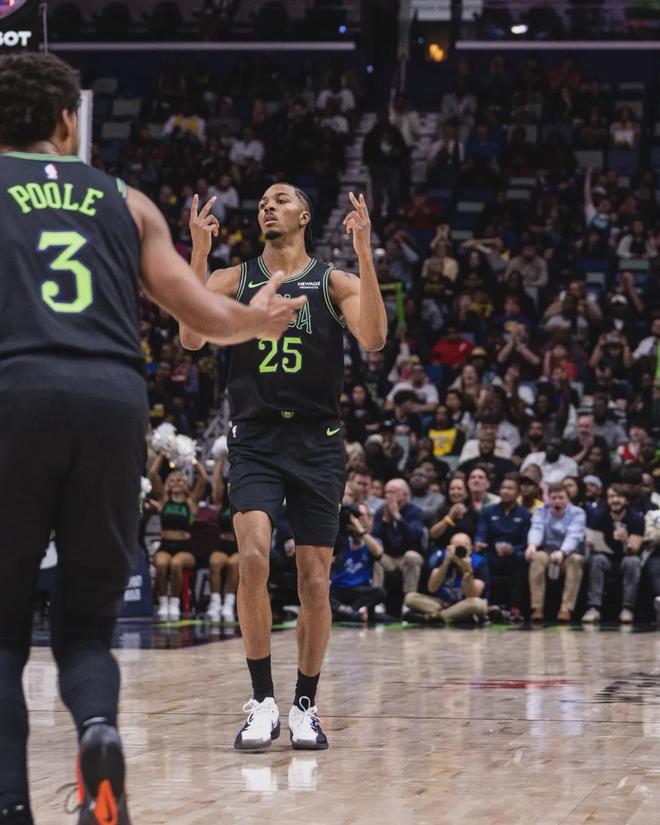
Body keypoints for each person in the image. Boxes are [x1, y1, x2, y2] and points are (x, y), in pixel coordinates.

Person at [0, 52, 303, 825]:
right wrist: (261, 319)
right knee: (85, 628)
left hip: (15, 392)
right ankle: (99, 735)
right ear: (67, 121)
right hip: (112, 401)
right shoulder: (125, 201)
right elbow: (198, 312)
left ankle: (10, 801)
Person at [181, 184, 386, 752]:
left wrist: (364, 253)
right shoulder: (236, 278)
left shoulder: (332, 281)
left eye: (280, 200)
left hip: (318, 440)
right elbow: (191, 337)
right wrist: (198, 253)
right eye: (263, 203)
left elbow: (373, 338)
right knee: (251, 557)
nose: (267, 207)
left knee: (314, 577)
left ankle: (305, 705)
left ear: (304, 215)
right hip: (256, 436)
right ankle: (262, 701)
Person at [148, 454, 208, 621]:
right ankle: (163, 601)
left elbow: (204, 478)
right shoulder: (163, 500)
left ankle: (174, 602)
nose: (176, 483)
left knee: (176, 564)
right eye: (172, 480)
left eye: (180, 480)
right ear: (167, 484)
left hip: (185, 547)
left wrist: (192, 458)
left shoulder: (191, 502)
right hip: (166, 545)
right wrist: (164, 453)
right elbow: (152, 474)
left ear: (185, 483)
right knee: (161, 563)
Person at [582, 484, 645, 625]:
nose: (615, 500)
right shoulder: (599, 516)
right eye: (611, 496)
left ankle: (627, 609)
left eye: (619, 496)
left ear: (626, 500)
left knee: (633, 562)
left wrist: (625, 540)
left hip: (625, 558)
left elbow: (634, 549)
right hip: (606, 558)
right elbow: (594, 542)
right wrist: (591, 544)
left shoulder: (636, 518)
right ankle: (593, 608)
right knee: (597, 559)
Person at [525, 483, 586, 622]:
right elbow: (537, 528)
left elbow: (574, 535)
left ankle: (566, 608)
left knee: (575, 561)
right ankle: (537, 608)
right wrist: (532, 545)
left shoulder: (578, 513)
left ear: (568, 498)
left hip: (569, 553)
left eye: (561, 498)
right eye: (554, 498)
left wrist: (562, 552)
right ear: (548, 499)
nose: (557, 501)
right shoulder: (541, 510)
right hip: (547, 551)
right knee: (537, 557)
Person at [475, 474, 530, 614]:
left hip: (514, 553)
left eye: (510, 488)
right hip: (492, 552)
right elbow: (481, 533)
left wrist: (513, 549)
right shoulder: (488, 511)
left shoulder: (525, 514)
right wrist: (479, 542)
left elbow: (526, 541)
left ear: (518, 492)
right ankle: (484, 602)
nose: (505, 491)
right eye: (503, 488)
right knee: (481, 559)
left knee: (522, 559)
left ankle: (515, 606)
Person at [404, 533, 489, 624]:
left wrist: (468, 570)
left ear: (471, 548)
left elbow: (473, 595)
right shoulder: (443, 558)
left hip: (465, 604)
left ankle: (432, 617)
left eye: (463, 548)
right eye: (456, 548)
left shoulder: (479, 562)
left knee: (477, 604)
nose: (459, 551)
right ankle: (453, 617)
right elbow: (432, 588)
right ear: (449, 548)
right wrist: (446, 562)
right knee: (410, 598)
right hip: (443, 604)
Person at [371, 479, 425, 604]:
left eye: (392, 492)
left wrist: (397, 517)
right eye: (386, 492)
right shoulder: (381, 511)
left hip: (407, 556)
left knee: (412, 557)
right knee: (377, 557)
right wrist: (385, 522)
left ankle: (409, 602)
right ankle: (377, 601)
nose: (388, 496)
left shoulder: (415, 511)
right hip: (389, 557)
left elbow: (414, 536)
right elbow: (375, 535)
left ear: (405, 494)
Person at [330, 503, 386, 621]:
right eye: (355, 516)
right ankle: (353, 613)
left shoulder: (372, 541)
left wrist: (359, 528)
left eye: (361, 516)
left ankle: (347, 612)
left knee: (380, 592)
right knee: (320, 591)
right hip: (338, 589)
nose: (358, 519)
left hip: (360, 590)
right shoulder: (342, 539)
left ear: (370, 519)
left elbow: (378, 553)